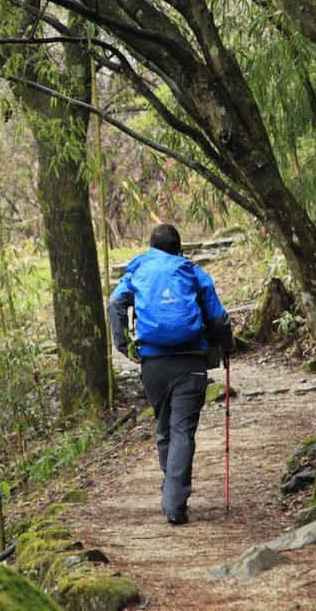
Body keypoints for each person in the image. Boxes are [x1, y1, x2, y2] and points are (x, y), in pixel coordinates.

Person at [108, 224, 233, 525]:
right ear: (179, 248)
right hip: (190, 362)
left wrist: (124, 346)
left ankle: (171, 492)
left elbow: (115, 303)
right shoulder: (190, 270)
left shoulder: (138, 269)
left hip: (153, 364)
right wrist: (226, 346)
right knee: (182, 432)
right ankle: (174, 502)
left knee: (165, 429)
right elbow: (217, 317)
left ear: (151, 246)